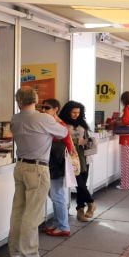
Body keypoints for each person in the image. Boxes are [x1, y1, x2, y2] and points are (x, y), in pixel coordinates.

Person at [7, 86, 67, 257]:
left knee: (18, 210)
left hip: (20, 166)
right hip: (38, 168)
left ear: (19, 101)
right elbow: (64, 132)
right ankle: (29, 254)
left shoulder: (15, 118)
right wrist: (54, 116)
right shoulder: (43, 118)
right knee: (33, 213)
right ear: (35, 100)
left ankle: (15, 249)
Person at [40, 99, 75, 238]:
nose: (43, 110)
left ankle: (63, 226)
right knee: (54, 194)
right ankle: (57, 222)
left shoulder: (58, 124)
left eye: (47, 107)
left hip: (57, 162)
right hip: (52, 162)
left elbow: (69, 145)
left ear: (56, 109)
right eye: (42, 107)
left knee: (57, 194)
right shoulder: (52, 123)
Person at [60, 100, 95, 221]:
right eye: (73, 112)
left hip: (84, 156)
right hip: (71, 157)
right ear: (67, 112)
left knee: (82, 184)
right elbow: (60, 140)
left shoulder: (82, 123)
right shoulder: (62, 123)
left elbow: (88, 138)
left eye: (78, 112)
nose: (76, 115)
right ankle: (91, 203)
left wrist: (86, 141)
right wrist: (75, 142)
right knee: (79, 182)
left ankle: (80, 210)